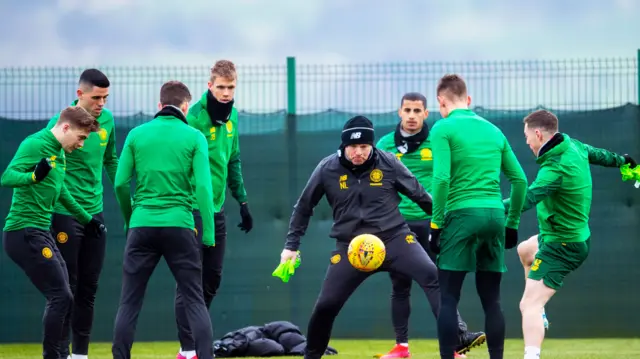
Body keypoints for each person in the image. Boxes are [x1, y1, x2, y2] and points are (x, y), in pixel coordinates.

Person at [280, 115, 452, 359]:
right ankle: (312, 355)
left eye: (364, 147)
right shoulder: (327, 168)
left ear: (372, 146)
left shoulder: (388, 162)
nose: (358, 152)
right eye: (353, 147)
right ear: (343, 146)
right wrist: (291, 246)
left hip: (395, 238)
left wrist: (443, 226)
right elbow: (304, 207)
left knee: (432, 276)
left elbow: (421, 196)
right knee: (326, 305)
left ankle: (458, 336)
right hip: (350, 247)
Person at [503, 110, 637, 359]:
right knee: (525, 250)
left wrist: (492, 208)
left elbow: (528, 198)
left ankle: (531, 353)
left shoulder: (555, 167)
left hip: (562, 245)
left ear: (538, 133)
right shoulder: (573, 145)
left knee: (527, 305)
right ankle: (540, 313)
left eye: (526, 136)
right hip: (562, 237)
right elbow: (600, 155)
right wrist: (622, 160)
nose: (526, 142)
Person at [375, 92, 485, 359]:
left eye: (417, 111)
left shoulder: (437, 141)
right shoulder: (384, 144)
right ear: (399, 112)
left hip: (433, 223)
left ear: (427, 113)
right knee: (399, 285)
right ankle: (401, 347)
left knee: (440, 283)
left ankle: (453, 346)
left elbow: (451, 176)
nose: (412, 116)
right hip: (396, 225)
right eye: (407, 110)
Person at [111, 81, 216, 359]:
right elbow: (205, 189)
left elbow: (121, 184)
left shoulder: (136, 135)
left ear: (159, 106)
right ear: (185, 107)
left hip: (141, 225)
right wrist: (208, 234)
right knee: (194, 300)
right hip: (180, 226)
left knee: (129, 302)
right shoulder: (195, 137)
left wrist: (128, 218)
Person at [427, 74, 528, 359]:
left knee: (448, 298)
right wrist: (512, 224)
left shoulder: (442, 128)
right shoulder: (494, 131)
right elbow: (520, 181)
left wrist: (436, 225)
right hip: (495, 215)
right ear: (468, 100)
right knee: (492, 300)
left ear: (441, 102)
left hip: (460, 215)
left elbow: (442, 179)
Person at [1, 106, 107, 359]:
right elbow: (7, 177)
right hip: (24, 232)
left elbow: (61, 192)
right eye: (81, 137)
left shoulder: (60, 153)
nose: (81, 144)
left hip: (41, 231)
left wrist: (87, 219)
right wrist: (33, 177)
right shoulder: (35, 144)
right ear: (66, 127)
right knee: (60, 295)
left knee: (66, 295)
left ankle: (61, 354)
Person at [174, 59, 253, 359]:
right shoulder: (193, 119)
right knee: (189, 280)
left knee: (213, 278)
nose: (225, 92)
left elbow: (233, 162)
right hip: (191, 209)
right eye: (220, 87)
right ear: (209, 86)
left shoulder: (232, 120)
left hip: (217, 211)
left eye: (231, 87)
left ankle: (195, 337)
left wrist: (243, 201)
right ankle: (187, 349)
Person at [44, 68, 118, 359]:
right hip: (65, 214)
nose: (102, 103)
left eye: (106, 98)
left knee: (89, 287)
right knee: (66, 289)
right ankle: (59, 353)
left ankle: (81, 355)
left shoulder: (108, 121)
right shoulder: (59, 125)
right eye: (96, 97)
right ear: (80, 94)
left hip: (95, 215)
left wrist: (128, 198)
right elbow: (45, 168)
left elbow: (111, 160)